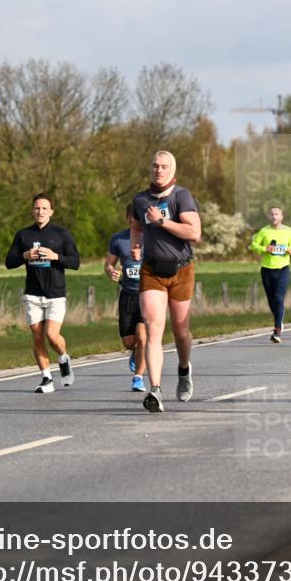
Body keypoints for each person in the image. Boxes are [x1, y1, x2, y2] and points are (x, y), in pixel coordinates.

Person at [130, 150, 201, 413]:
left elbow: (195, 232)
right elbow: (136, 226)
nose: (158, 170)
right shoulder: (140, 199)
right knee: (152, 326)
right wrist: (136, 246)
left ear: (172, 170)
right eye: (155, 166)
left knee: (181, 331)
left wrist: (163, 222)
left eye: (164, 166)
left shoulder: (180, 196)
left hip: (181, 269)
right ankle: (155, 390)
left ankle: (184, 369)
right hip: (151, 270)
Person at [5, 192, 80, 393]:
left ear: (51, 212)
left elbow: (75, 262)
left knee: (52, 335)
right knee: (37, 337)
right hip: (32, 294)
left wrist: (56, 256)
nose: (40, 211)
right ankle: (47, 378)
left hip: (55, 293)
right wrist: (24, 255)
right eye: (37, 208)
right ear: (32, 210)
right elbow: (9, 263)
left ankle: (63, 358)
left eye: (44, 208)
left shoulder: (61, 234)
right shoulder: (23, 235)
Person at [106, 206, 147, 392]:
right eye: (133, 218)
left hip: (148, 295)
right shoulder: (118, 239)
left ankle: (138, 378)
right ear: (128, 218)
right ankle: (135, 352)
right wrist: (111, 272)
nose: (136, 222)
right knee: (129, 342)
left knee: (142, 336)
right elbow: (109, 263)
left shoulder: (153, 239)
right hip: (128, 295)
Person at [250, 206, 291, 343]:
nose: (274, 216)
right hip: (267, 269)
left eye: (277, 214)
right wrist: (265, 248)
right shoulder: (264, 231)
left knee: (278, 298)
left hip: (283, 268)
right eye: (272, 214)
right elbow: (254, 245)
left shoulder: (288, 231)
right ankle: (279, 319)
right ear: (269, 217)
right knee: (271, 300)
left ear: (281, 216)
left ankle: (277, 330)